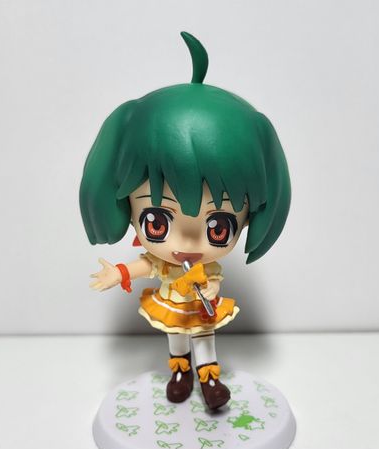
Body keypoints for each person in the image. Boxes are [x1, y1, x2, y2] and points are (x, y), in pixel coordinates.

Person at [80, 32, 291, 410]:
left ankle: (209, 380)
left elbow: (212, 279)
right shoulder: (166, 263)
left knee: (205, 341)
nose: (188, 241)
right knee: (176, 340)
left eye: (218, 227)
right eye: (158, 221)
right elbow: (148, 264)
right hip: (172, 305)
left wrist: (209, 288)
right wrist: (119, 273)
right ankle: (181, 374)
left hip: (200, 310)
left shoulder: (204, 268)